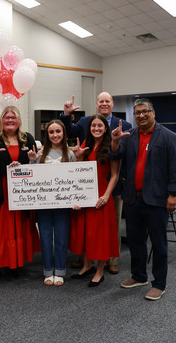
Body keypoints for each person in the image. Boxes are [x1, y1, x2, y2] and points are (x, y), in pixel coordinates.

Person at [109, 98, 176, 301]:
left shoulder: (168, 137)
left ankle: (159, 284)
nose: (141, 115)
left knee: (159, 244)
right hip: (133, 198)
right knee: (135, 241)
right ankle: (139, 276)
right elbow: (115, 155)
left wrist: (173, 193)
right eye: (137, 113)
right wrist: (115, 141)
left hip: (157, 200)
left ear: (153, 112)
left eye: (145, 111)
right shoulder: (129, 135)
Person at [60, 92, 131, 274]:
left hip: (112, 187)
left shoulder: (126, 126)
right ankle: (87, 260)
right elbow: (68, 131)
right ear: (97, 104)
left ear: (112, 104)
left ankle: (111, 261)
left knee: (111, 226)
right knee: (88, 226)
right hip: (88, 189)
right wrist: (66, 115)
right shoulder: (85, 124)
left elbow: (125, 156)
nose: (104, 104)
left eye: (108, 101)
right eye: (101, 101)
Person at [0, 106, 40, 288]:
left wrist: (30, 161)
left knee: (17, 228)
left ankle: (14, 264)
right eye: (7, 117)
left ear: (19, 120)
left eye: (14, 117)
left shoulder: (27, 138)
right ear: (2, 120)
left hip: (19, 193)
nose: (10, 120)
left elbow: (33, 165)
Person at [68, 114, 120, 287]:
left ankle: (99, 271)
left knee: (100, 235)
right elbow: (79, 170)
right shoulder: (85, 144)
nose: (96, 128)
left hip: (101, 195)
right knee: (85, 232)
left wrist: (105, 196)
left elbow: (115, 175)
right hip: (86, 194)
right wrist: (78, 156)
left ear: (106, 128)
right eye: (93, 126)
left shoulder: (111, 146)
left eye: (100, 125)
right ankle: (87, 265)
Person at [28, 120, 76, 287]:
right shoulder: (40, 153)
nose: (55, 135)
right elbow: (32, 179)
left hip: (63, 205)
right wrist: (32, 161)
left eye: (58, 131)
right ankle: (48, 270)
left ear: (63, 133)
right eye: (51, 132)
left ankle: (60, 270)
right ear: (47, 135)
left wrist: (76, 199)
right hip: (44, 206)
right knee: (46, 238)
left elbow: (75, 180)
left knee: (62, 238)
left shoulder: (70, 154)